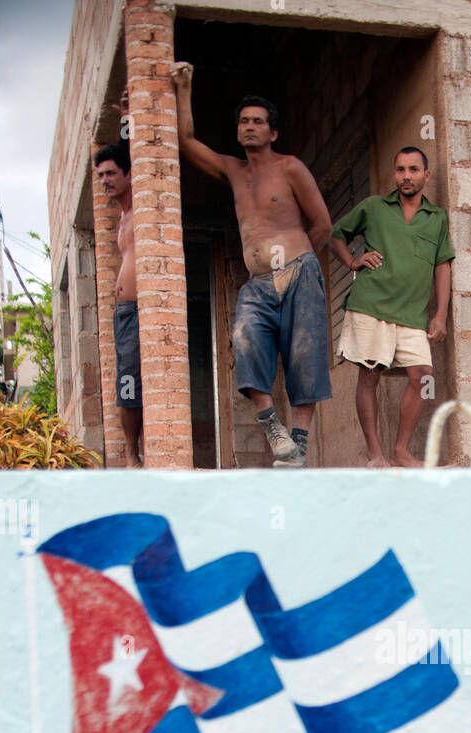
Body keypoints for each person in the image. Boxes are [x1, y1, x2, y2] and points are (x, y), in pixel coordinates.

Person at [170, 63, 333, 467]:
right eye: (243, 121)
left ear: (272, 132)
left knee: (304, 357)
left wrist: (299, 264)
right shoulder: (233, 170)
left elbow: (323, 224)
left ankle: (299, 444)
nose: (249, 127)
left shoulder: (290, 167)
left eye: (258, 122)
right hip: (257, 284)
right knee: (244, 341)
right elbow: (186, 141)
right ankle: (272, 427)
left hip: (299, 271)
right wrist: (184, 87)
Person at [329, 148, 455, 468]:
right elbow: (336, 236)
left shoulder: (436, 217)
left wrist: (440, 315)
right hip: (371, 304)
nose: (406, 176)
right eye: (400, 170)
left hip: (411, 314)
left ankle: (401, 450)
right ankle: (375, 454)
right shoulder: (374, 207)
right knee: (370, 374)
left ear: (426, 176)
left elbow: (442, 266)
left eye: (413, 169)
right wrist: (354, 262)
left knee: (422, 374)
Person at [93, 142, 142, 468]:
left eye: (111, 173)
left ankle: (135, 455)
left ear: (128, 173)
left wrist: (129, 119)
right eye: (100, 176)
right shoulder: (122, 219)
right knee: (126, 384)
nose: (105, 180)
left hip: (144, 308)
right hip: (124, 314)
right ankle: (130, 453)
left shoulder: (143, 209)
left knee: (136, 383)